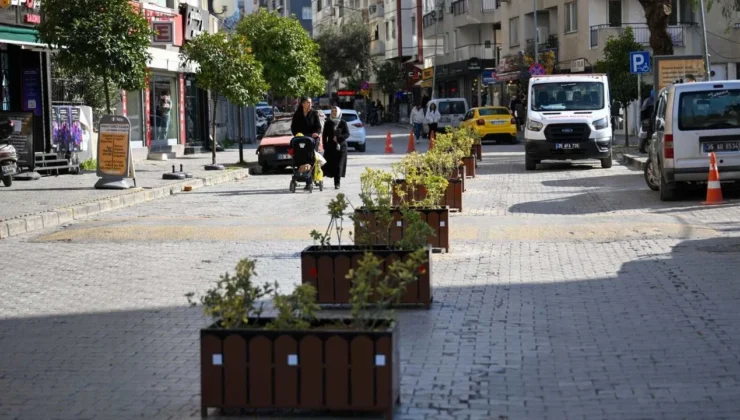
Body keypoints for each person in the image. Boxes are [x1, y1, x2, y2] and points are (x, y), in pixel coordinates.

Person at [322, 106, 349, 189]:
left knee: (338, 166)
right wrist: (325, 145)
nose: (333, 113)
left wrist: (339, 137)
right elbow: (324, 135)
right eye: (332, 111)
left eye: (335, 111)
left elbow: (347, 134)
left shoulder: (343, 123)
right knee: (326, 164)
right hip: (330, 147)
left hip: (341, 147)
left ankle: (337, 184)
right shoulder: (328, 122)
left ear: (338, 113)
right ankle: (318, 180)